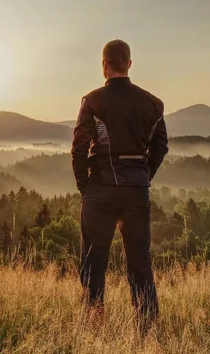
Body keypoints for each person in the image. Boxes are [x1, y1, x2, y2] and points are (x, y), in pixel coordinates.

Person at [71, 39, 168, 333]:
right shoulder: (153, 104)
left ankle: (93, 327)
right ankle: (147, 330)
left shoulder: (92, 101)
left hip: (100, 189)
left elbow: (78, 148)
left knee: (94, 261)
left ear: (104, 65)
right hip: (136, 192)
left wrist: (84, 187)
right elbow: (160, 147)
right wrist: (143, 176)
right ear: (129, 64)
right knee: (140, 263)